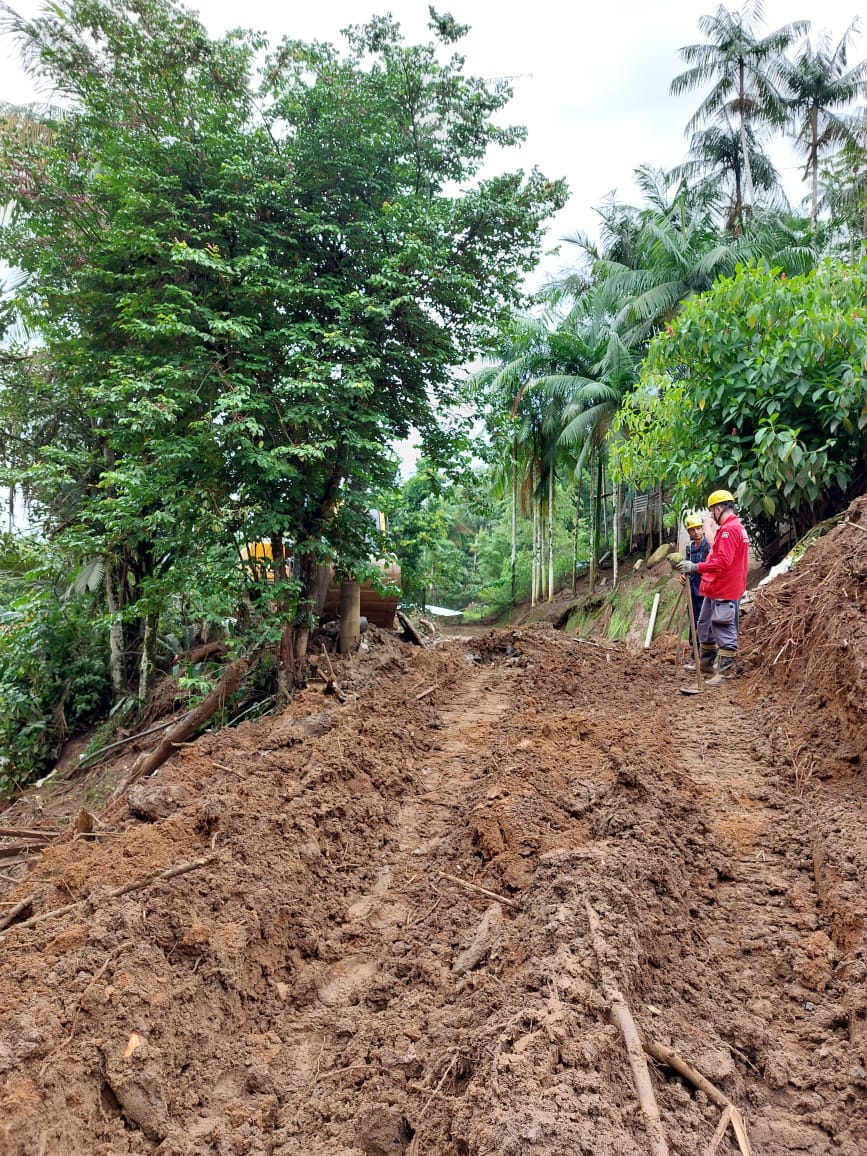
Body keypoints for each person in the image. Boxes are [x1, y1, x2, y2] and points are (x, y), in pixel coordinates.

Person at [677, 489, 749, 685]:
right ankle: (707, 663)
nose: (711, 516)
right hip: (714, 587)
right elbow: (715, 544)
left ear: (718, 509)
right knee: (705, 624)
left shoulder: (729, 530)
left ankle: (725, 672)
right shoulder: (733, 528)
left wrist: (696, 567)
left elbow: (722, 562)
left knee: (722, 625)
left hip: (724, 587)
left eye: (711, 512)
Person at [680, 513, 709, 669]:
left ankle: (707, 658)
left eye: (698, 528)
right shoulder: (690, 549)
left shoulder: (708, 547)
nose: (696, 532)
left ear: (703, 528)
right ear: (689, 532)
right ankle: (694, 656)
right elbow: (686, 567)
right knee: (693, 622)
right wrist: (683, 577)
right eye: (693, 530)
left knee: (704, 623)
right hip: (692, 590)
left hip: (705, 591)